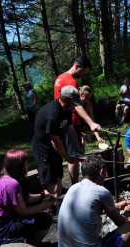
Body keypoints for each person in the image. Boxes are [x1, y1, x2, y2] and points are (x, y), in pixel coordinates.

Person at [57, 155, 130, 247]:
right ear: (102, 172)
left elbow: (90, 209)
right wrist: (127, 213)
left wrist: (115, 206)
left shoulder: (73, 188)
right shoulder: (101, 191)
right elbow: (120, 222)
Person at [53, 56, 101, 184]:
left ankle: (75, 182)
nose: (84, 74)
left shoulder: (60, 77)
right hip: (71, 122)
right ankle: (75, 185)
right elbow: (77, 106)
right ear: (77, 66)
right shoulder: (71, 81)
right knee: (74, 156)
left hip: (62, 121)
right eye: (84, 71)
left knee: (73, 153)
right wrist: (91, 123)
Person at [32, 86, 87, 198]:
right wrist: (68, 158)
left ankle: (57, 202)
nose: (76, 105)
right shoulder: (53, 114)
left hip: (55, 149)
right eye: (74, 102)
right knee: (49, 182)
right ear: (66, 99)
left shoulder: (66, 110)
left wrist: (78, 150)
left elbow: (70, 129)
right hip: (43, 150)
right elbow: (55, 141)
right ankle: (50, 207)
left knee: (58, 177)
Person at [74, 86, 105, 152]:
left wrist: (97, 137)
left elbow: (92, 120)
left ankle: (82, 160)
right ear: (81, 95)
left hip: (81, 126)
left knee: (82, 143)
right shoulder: (73, 102)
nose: (88, 100)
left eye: (89, 98)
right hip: (72, 125)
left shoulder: (87, 104)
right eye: (87, 97)